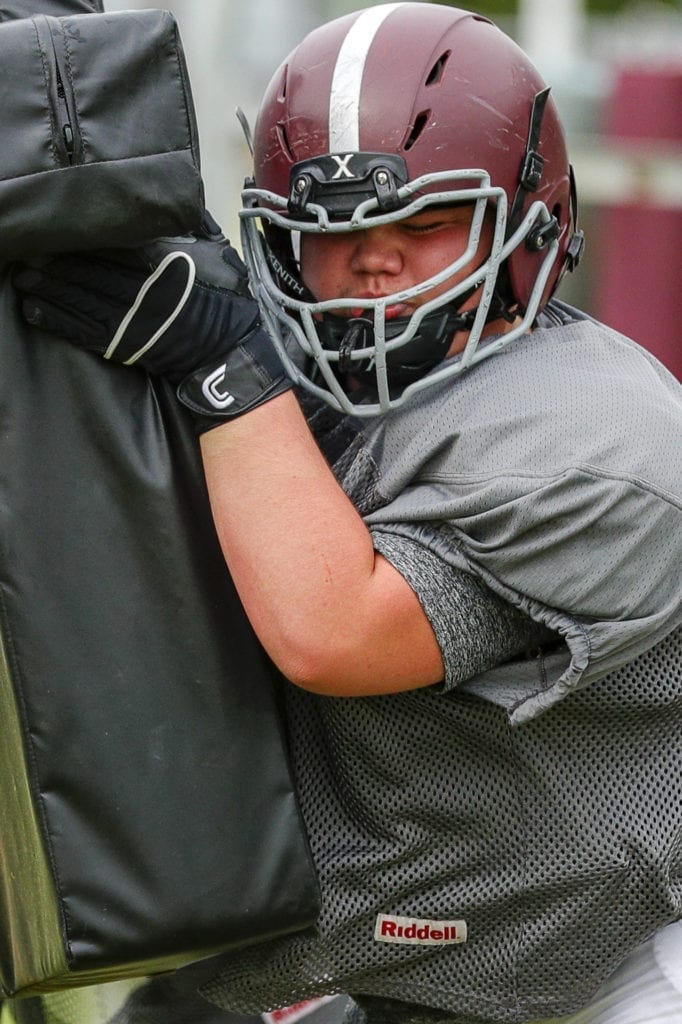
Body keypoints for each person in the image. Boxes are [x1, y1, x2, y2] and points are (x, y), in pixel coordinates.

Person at [13, 4, 682, 1024]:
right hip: (345, 954)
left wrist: (226, 373)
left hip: (593, 968)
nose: (375, 260)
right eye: (333, 233)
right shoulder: (303, 367)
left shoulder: (595, 442)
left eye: (421, 225)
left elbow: (335, 633)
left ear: (528, 224)